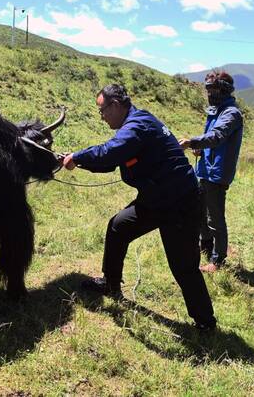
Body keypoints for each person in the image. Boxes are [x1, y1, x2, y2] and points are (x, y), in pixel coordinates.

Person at [62, 84, 216, 331]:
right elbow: (111, 161)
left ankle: (205, 322)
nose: (101, 117)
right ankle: (111, 284)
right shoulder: (135, 122)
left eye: (102, 111)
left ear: (115, 105)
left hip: (180, 202)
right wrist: (77, 162)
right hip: (156, 198)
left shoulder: (137, 126)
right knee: (118, 226)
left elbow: (111, 152)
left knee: (183, 266)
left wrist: (79, 157)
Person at [179, 71, 243, 273]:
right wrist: (200, 148)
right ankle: (205, 247)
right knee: (200, 212)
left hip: (218, 173)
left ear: (224, 89)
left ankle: (218, 260)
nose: (209, 93)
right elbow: (211, 140)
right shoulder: (216, 111)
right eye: (207, 89)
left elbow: (217, 136)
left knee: (215, 218)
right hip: (206, 170)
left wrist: (192, 142)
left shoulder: (231, 113)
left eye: (213, 89)